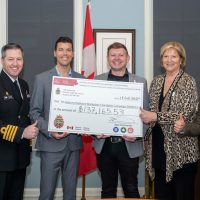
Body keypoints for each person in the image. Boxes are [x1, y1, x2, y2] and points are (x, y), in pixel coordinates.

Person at [140, 41, 199, 200]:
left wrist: (156, 117)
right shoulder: (156, 81)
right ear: (161, 60)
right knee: (163, 194)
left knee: (182, 195)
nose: (169, 60)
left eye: (174, 56)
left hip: (181, 151)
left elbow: (185, 113)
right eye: (166, 56)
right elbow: (149, 110)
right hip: (158, 148)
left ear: (181, 60)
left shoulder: (188, 81)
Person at [93, 42, 149, 198]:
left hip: (129, 146)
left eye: (121, 55)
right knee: (107, 191)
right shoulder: (97, 80)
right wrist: (94, 132)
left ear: (127, 58)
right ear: (107, 58)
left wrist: (138, 134)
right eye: (113, 55)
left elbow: (147, 114)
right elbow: (91, 113)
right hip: (105, 146)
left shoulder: (140, 82)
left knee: (131, 190)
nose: (117, 58)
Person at [30, 36, 83, 200]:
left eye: (68, 50)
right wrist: (50, 130)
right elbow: (34, 112)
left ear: (73, 54)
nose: (65, 53)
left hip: (73, 145)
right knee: (46, 194)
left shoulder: (81, 80)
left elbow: (84, 112)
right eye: (61, 49)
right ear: (55, 53)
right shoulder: (42, 79)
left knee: (70, 195)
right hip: (50, 144)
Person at [0, 43, 38, 200]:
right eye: (10, 59)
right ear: (2, 61)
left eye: (19, 59)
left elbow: (25, 115)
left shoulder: (24, 85)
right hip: (2, 157)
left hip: (21, 157)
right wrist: (22, 132)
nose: (15, 64)